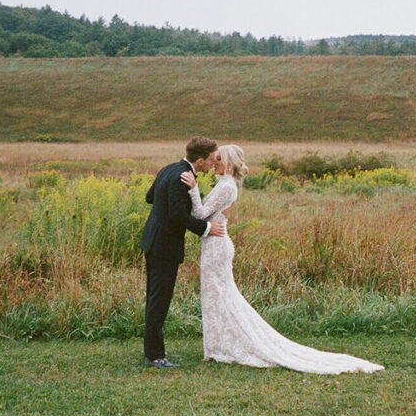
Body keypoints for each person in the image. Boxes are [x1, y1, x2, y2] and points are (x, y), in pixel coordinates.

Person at [181, 144, 384, 374]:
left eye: (217, 159)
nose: (212, 162)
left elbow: (199, 214)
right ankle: (218, 346)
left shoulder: (226, 186)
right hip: (214, 243)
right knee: (216, 294)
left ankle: (221, 347)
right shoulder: (225, 184)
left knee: (219, 294)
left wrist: (193, 189)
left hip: (217, 246)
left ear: (226, 162)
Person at [139, 136, 227, 368]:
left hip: (153, 241)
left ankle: (153, 350)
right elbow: (178, 215)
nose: (212, 164)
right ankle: (155, 356)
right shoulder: (181, 177)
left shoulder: (168, 168)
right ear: (200, 160)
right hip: (164, 245)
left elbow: (150, 198)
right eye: (211, 160)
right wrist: (207, 228)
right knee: (159, 299)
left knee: (155, 296)